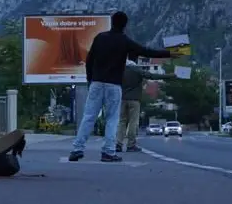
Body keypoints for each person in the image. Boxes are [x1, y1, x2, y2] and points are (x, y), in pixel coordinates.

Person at [68, 11, 176, 162]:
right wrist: (170, 54)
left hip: (97, 83)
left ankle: (77, 149)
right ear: (125, 25)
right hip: (113, 85)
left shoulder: (100, 37)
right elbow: (147, 51)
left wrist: (90, 80)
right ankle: (108, 152)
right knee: (112, 119)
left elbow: (89, 60)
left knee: (88, 116)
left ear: (112, 22)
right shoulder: (125, 41)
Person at [116, 60, 174, 153]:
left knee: (122, 122)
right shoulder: (136, 70)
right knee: (133, 122)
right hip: (134, 100)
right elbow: (152, 76)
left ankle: (118, 144)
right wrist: (169, 76)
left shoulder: (119, 71)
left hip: (122, 99)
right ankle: (131, 145)